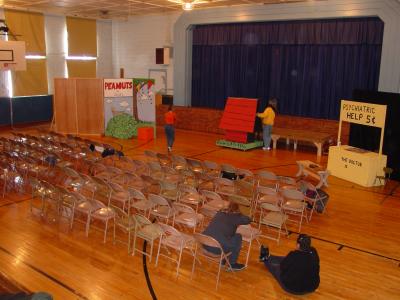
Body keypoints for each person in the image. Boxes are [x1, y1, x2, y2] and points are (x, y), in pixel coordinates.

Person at [202, 202, 251, 271]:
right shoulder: (236, 217)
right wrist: (240, 214)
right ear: (237, 210)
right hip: (217, 249)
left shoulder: (219, 213)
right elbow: (248, 220)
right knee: (237, 237)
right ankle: (232, 264)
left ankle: (223, 261)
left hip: (204, 245)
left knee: (224, 236)